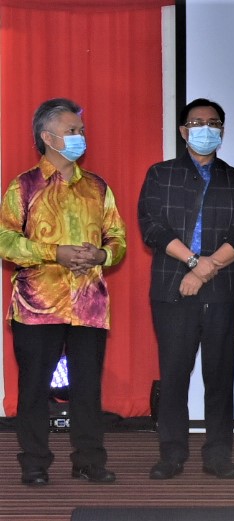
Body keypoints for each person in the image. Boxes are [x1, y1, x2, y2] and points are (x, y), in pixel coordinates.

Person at [0, 98, 127, 486]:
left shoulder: (97, 187)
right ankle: (34, 463)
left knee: (87, 388)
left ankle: (89, 460)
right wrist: (56, 253)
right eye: (71, 131)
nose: (79, 137)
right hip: (38, 304)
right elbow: (6, 241)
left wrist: (100, 254)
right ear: (47, 137)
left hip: (88, 304)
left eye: (81, 131)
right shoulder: (23, 186)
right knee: (34, 388)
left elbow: (117, 239)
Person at [139, 98, 234, 480]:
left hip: (221, 290)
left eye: (214, 123)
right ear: (183, 131)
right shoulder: (161, 174)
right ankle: (171, 454)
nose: (206, 129)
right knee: (174, 375)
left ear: (222, 130)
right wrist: (193, 263)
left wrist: (205, 271)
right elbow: (152, 227)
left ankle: (218, 455)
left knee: (219, 377)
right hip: (172, 288)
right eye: (198, 123)